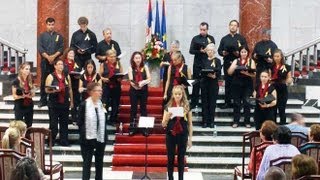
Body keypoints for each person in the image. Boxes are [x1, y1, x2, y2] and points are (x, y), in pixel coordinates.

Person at [162, 85, 193, 180]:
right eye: (176, 94)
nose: (178, 96)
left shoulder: (187, 106)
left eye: (179, 94)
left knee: (181, 159)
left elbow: (190, 124)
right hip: (170, 135)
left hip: (183, 134)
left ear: (182, 94)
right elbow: (163, 124)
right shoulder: (168, 106)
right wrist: (167, 117)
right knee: (170, 158)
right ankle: (170, 178)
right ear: (173, 95)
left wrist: (190, 139)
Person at [78, 82, 107, 180]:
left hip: (100, 137)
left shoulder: (101, 104)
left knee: (99, 163)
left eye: (101, 91)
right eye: (98, 91)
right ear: (91, 92)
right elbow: (80, 122)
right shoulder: (84, 104)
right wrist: (86, 133)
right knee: (87, 163)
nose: (100, 93)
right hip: (87, 138)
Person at [218, 20, 247, 109]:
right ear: (229, 26)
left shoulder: (241, 38)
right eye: (231, 25)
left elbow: (246, 50)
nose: (233, 27)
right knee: (228, 83)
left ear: (237, 27)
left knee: (238, 83)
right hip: (227, 63)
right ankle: (227, 102)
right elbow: (219, 51)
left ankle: (238, 103)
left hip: (238, 63)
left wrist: (239, 53)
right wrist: (223, 52)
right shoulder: (224, 38)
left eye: (235, 25)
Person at [45, 59, 73, 146]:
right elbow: (46, 89)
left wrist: (71, 101)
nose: (61, 66)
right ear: (55, 66)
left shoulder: (67, 76)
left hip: (64, 103)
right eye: (59, 64)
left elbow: (70, 89)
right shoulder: (50, 76)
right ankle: (51, 141)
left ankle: (64, 141)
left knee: (64, 123)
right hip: (54, 103)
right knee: (53, 124)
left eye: (62, 64)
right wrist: (54, 91)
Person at [38, 17, 64, 107]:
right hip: (45, 62)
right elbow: (40, 48)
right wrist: (48, 57)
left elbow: (61, 48)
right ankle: (43, 100)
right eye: (49, 25)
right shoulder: (41, 36)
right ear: (46, 25)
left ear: (54, 25)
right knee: (43, 81)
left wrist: (53, 57)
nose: (51, 26)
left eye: (52, 24)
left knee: (56, 80)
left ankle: (55, 98)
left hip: (55, 62)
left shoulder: (59, 36)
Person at [228, 46, 256, 128]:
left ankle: (247, 121)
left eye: (245, 52)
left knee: (247, 102)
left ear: (248, 53)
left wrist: (246, 73)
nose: (243, 53)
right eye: (242, 52)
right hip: (236, 84)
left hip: (247, 84)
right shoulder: (236, 60)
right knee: (236, 103)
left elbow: (254, 74)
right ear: (240, 53)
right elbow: (229, 72)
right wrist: (233, 67)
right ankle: (236, 121)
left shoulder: (251, 61)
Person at [189, 22, 215, 109]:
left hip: (207, 63)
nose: (202, 31)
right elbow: (191, 51)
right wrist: (200, 51)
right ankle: (193, 103)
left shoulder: (211, 38)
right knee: (196, 83)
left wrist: (206, 50)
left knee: (206, 84)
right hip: (197, 64)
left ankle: (205, 103)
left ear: (207, 29)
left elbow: (213, 48)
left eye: (204, 30)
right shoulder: (195, 38)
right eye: (201, 30)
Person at [128, 51, 151, 135]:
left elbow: (149, 78)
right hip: (134, 90)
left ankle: (144, 128)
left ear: (142, 59)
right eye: (136, 58)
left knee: (143, 109)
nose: (138, 60)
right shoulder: (130, 67)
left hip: (143, 90)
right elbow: (130, 80)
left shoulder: (145, 67)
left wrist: (142, 83)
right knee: (133, 109)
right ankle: (132, 128)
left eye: (139, 58)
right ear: (133, 59)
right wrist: (136, 86)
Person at [200, 43, 221, 128]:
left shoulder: (217, 60)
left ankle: (211, 121)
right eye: (208, 50)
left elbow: (219, 70)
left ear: (214, 51)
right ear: (206, 51)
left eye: (211, 50)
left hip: (213, 84)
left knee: (212, 103)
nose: (210, 52)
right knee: (204, 103)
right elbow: (201, 70)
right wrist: (206, 73)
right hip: (204, 83)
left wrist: (215, 75)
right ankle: (204, 121)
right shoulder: (203, 60)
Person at [100, 49, 123, 125]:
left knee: (115, 103)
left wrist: (120, 77)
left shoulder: (118, 63)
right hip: (106, 86)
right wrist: (104, 79)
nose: (113, 58)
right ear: (107, 57)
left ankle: (113, 119)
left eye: (114, 56)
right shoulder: (103, 64)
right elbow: (99, 76)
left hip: (116, 86)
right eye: (111, 57)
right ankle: (104, 119)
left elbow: (121, 73)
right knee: (105, 103)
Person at [271, 49, 293, 125]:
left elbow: (289, 77)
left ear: (281, 57)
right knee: (273, 109)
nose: (276, 58)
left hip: (282, 89)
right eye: (275, 56)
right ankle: (272, 125)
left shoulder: (287, 66)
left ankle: (283, 125)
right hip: (273, 89)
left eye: (278, 56)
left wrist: (289, 81)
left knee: (281, 109)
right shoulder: (271, 66)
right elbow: (268, 76)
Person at [12, 63, 35, 127]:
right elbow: (14, 96)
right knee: (19, 126)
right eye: (26, 69)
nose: (28, 71)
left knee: (29, 125)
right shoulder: (16, 81)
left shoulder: (30, 80)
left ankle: (27, 137)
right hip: (19, 105)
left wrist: (31, 94)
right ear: (21, 70)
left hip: (29, 105)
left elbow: (33, 94)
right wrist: (22, 96)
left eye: (29, 69)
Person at [63, 48, 81, 123]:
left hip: (75, 84)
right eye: (70, 53)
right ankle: (66, 118)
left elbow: (80, 71)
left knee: (76, 102)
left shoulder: (76, 63)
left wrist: (79, 75)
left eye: (73, 54)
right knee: (67, 102)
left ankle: (74, 118)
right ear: (66, 54)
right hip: (66, 85)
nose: (71, 55)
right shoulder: (63, 63)